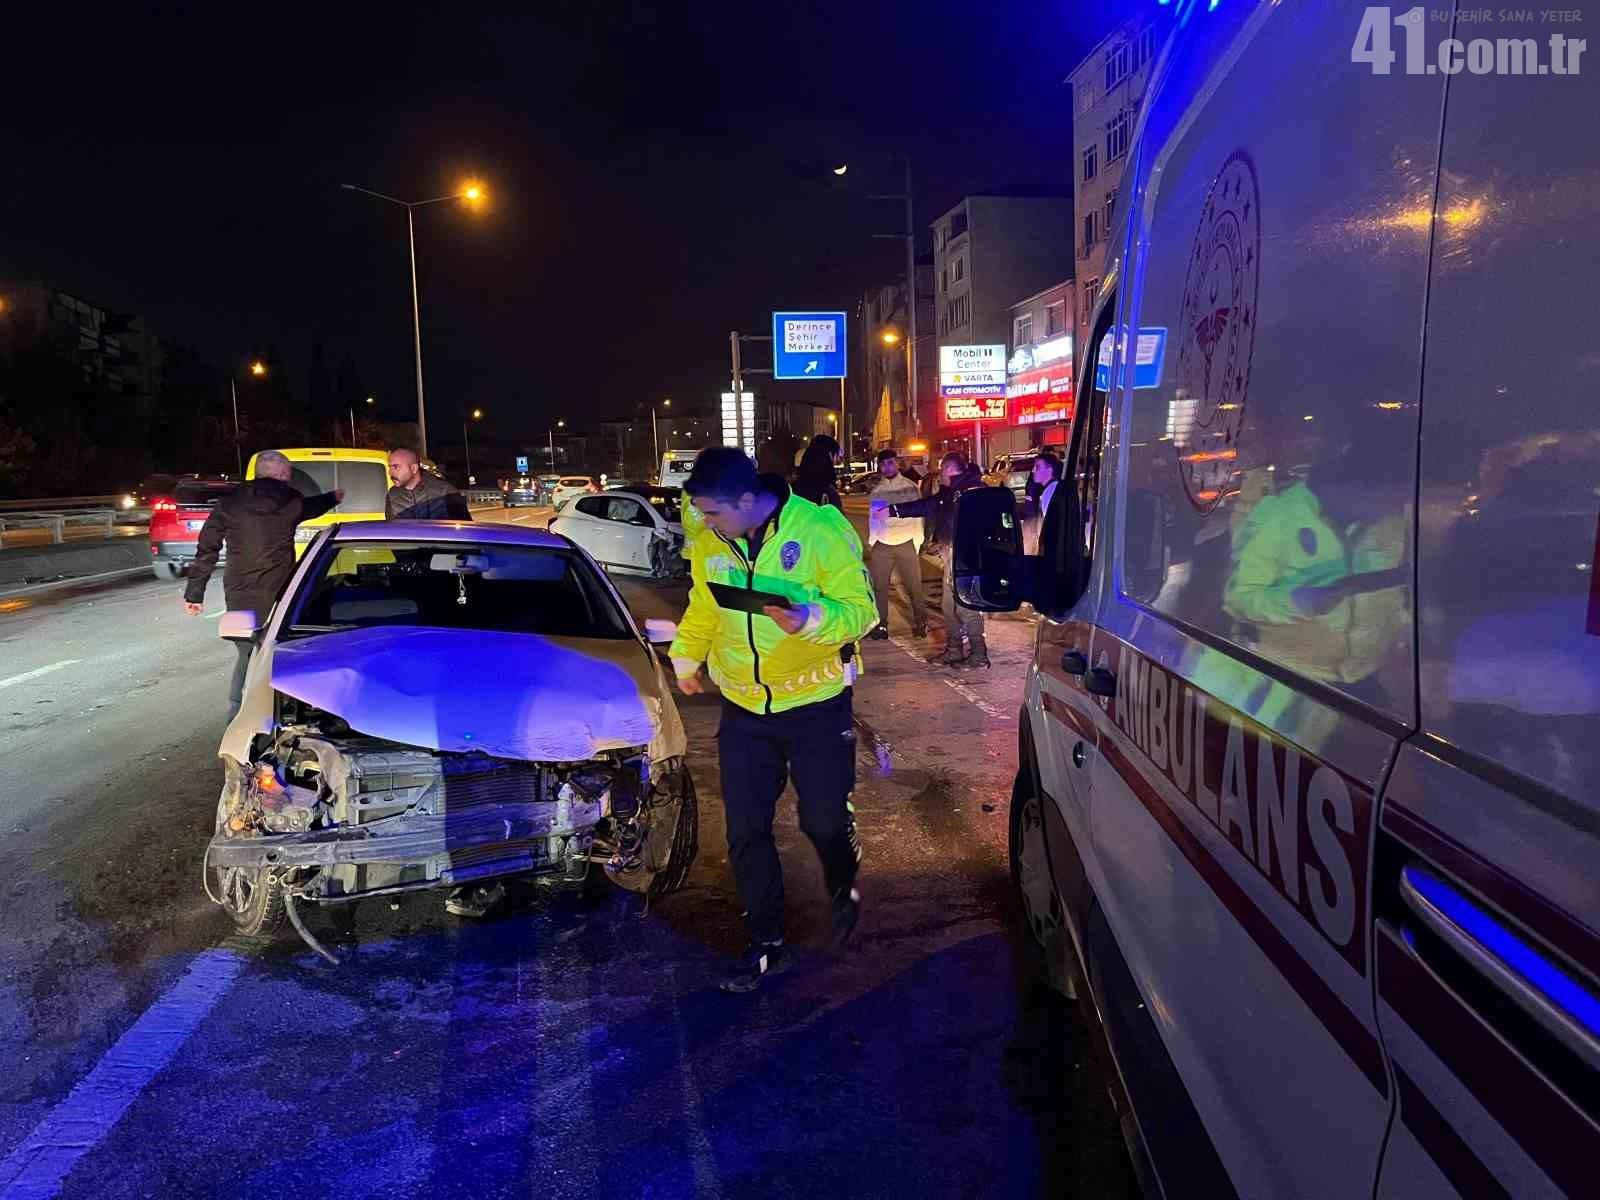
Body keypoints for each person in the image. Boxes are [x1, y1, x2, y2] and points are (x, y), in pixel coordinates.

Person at [669, 447, 878, 991]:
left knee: (822, 822)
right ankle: (766, 942)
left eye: (713, 512)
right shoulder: (714, 539)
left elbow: (863, 610)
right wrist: (687, 655)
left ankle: (843, 880)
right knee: (745, 830)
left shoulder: (819, 529)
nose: (705, 523)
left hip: (816, 704)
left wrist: (811, 618)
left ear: (746, 499)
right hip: (744, 709)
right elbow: (706, 603)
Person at [182, 450, 342, 717]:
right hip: (279, 594)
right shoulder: (289, 499)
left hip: (240, 594)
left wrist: (194, 594)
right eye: (288, 473)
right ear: (281, 473)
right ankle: (284, 713)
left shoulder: (229, 502)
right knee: (284, 653)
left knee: (247, 654)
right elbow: (312, 507)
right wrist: (333, 497)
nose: (289, 478)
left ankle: (237, 714)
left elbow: (207, 548)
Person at [878, 451, 989, 668]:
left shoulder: (969, 491)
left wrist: (951, 542)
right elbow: (928, 506)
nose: (939, 475)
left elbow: (967, 524)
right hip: (952, 557)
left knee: (966, 607)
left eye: (941, 470)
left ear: (949, 469)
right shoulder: (952, 492)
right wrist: (894, 511)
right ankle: (954, 650)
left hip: (966, 558)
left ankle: (979, 655)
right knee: (948, 606)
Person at [866, 448, 928, 640]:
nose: (887, 467)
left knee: (914, 587)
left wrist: (917, 542)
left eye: (890, 463)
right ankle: (881, 625)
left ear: (897, 464)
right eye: (883, 464)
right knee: (880, 588)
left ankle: (921, 623)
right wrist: (873, 542)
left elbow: (918, 516)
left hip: (906, 541)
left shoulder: (910, 487)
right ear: (880, 467)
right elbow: (875, 520)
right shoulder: (878, 491)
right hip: (883, 545)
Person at [385, 448, 467, 519]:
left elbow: (464, 527)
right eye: (390, 467)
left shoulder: (445, 491)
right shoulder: (392, 495)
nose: (390, 473)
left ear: (414, 468)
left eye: (395, 467)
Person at [1021, 451, 1063, 556]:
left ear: (1049, 470)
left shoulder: (1050, 491)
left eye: (1038, 467)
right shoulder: (1052, 488)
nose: (1033, 470)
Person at [792, 434, 843, 509]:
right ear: (829, 455)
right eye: (836, 455)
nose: (837, 460)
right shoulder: (828, 491)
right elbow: (837, 515)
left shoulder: (793, 491)